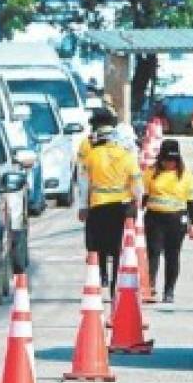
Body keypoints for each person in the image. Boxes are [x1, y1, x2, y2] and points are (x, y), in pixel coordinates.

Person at [79, 109, 142, 294]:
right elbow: (136, 180)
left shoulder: (89, 150)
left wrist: (83, 207)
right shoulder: (126, 152)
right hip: (121, 207)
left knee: (96, 246)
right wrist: (137, 202)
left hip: (97, 205)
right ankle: (115, 286)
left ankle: (99, 280)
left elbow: (84, 182)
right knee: (117, 249)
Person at [141, 139, 193, 304]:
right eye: (167, 160)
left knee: (172, 256)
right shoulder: (151, 172)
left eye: (173, 160)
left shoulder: (186, 175)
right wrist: (136, 212)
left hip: (176, 221)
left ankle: (169, 290)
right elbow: (143, 196)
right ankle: (150, 286)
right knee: (153, 252)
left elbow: (192, 200)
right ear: (161, 159)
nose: (170, 164)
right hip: (154, 219)